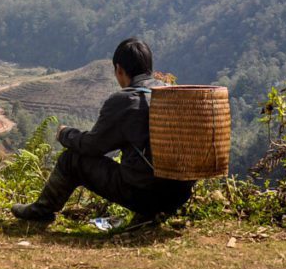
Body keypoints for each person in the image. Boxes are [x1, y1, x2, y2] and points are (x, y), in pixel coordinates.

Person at [11, 37, 196, 223]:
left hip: (144, 195)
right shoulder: (173, 94)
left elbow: (93, 146)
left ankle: (41, 211)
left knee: (71, 160)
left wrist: (65, 134)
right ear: (149, 67)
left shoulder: (125, 101)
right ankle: (149, 214)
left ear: (119, 69)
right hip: (179, 195)